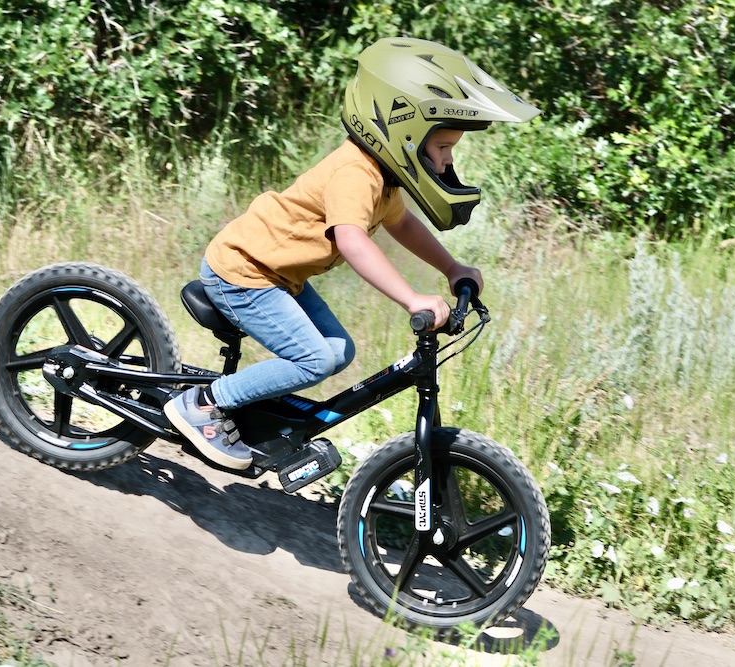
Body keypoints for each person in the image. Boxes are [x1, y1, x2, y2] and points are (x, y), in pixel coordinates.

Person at [165, 37, 541, 470]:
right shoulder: (355, 173)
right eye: (442, 148)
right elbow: (352, 240)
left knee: (339, 351)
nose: (444, 162)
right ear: (404, 131)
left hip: (279, 276)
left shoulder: (383, 177)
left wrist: (451, 267)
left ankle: (256, 410)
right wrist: (412, 299)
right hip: (244, 272)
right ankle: (205, 404)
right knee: (315, 358)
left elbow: (402, 224)